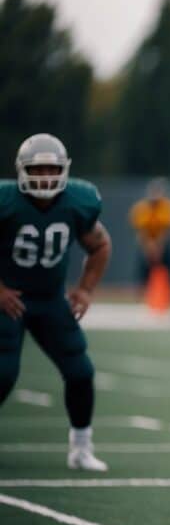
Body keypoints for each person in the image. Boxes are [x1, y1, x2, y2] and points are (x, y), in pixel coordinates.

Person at [0, 134, 112, 471]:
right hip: (9, 301)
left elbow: (100, 245)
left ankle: (81, 447)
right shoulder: (7, 202)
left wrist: (86, 289)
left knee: (80, 371)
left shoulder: (77, 202)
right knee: (3, 374)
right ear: (22, 171)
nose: (46, 176)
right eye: (38, 169)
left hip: (50, 299)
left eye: (52, 168)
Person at [129, 178, 170, 295]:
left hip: (163, 244)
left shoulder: (168, 207)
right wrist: (149, 247)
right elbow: (141, 231)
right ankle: (140, 292)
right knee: (143, 267)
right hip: (147, 244)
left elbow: (166, 231)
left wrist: (159, 247)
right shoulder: (141, 208)